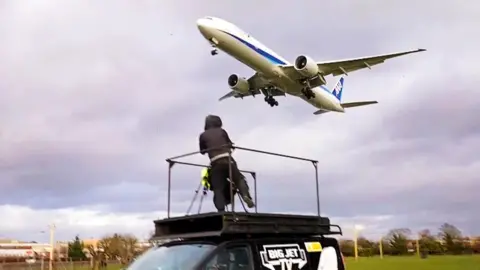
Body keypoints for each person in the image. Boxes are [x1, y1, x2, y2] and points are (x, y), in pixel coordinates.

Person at [199, 114, 255, 212]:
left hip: (215, 162)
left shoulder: (203, 135)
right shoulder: (222, 131)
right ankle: (246, 196)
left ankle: (221, 210)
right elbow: (229, 144)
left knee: (218, 188)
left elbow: (202, 151)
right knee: (239, 179)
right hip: (228, 160)